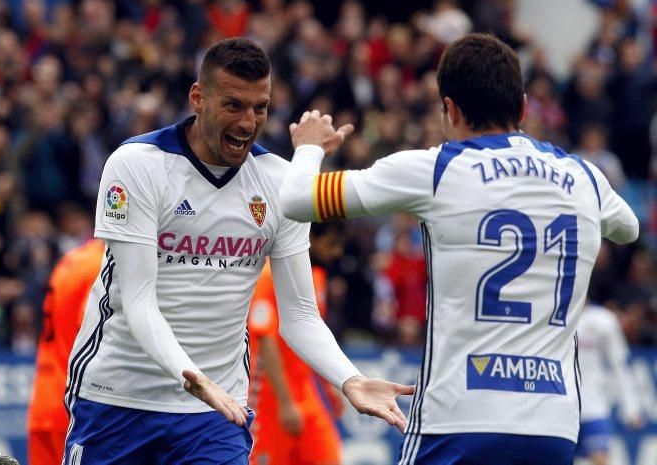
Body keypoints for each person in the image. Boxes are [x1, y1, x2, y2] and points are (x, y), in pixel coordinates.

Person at [278, 33, 639, 465]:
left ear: (449, 109)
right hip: (553, 426)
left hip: (459, 420)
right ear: (523, 106)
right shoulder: (584, 175)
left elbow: (296, 201)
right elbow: (628, 228)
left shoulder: (435, 169)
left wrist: (309, 149)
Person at [63, 37, 413, 465]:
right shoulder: (137, 164)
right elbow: (138, 301)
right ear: (198, 98)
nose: (249, 122)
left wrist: (349, 379)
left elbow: (300, 316)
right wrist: (192, 377)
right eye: (234, 105)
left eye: (260, 108)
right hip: (118, 396)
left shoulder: (280, 183)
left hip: (215, 411)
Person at [248, 221, 347, 465]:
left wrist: (331, 384)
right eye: (331, 244)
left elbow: (315, 340)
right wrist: (284, 402)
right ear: (310, 236)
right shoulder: (269, 278)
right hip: (270, 401)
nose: (337, 253)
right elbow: (265, 339)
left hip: (306, 395)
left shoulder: (317, 277)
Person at [26, 238, 104, 465]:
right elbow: (92, 334)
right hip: (73, 408)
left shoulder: (72, 259)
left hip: (43, 400)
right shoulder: (103, 264)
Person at [575, 302, 643, 465]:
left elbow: (618, 364)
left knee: (600, 459)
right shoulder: (552, 312)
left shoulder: (603, 320)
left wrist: (631, 407)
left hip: (593, 404)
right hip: (560, 406)